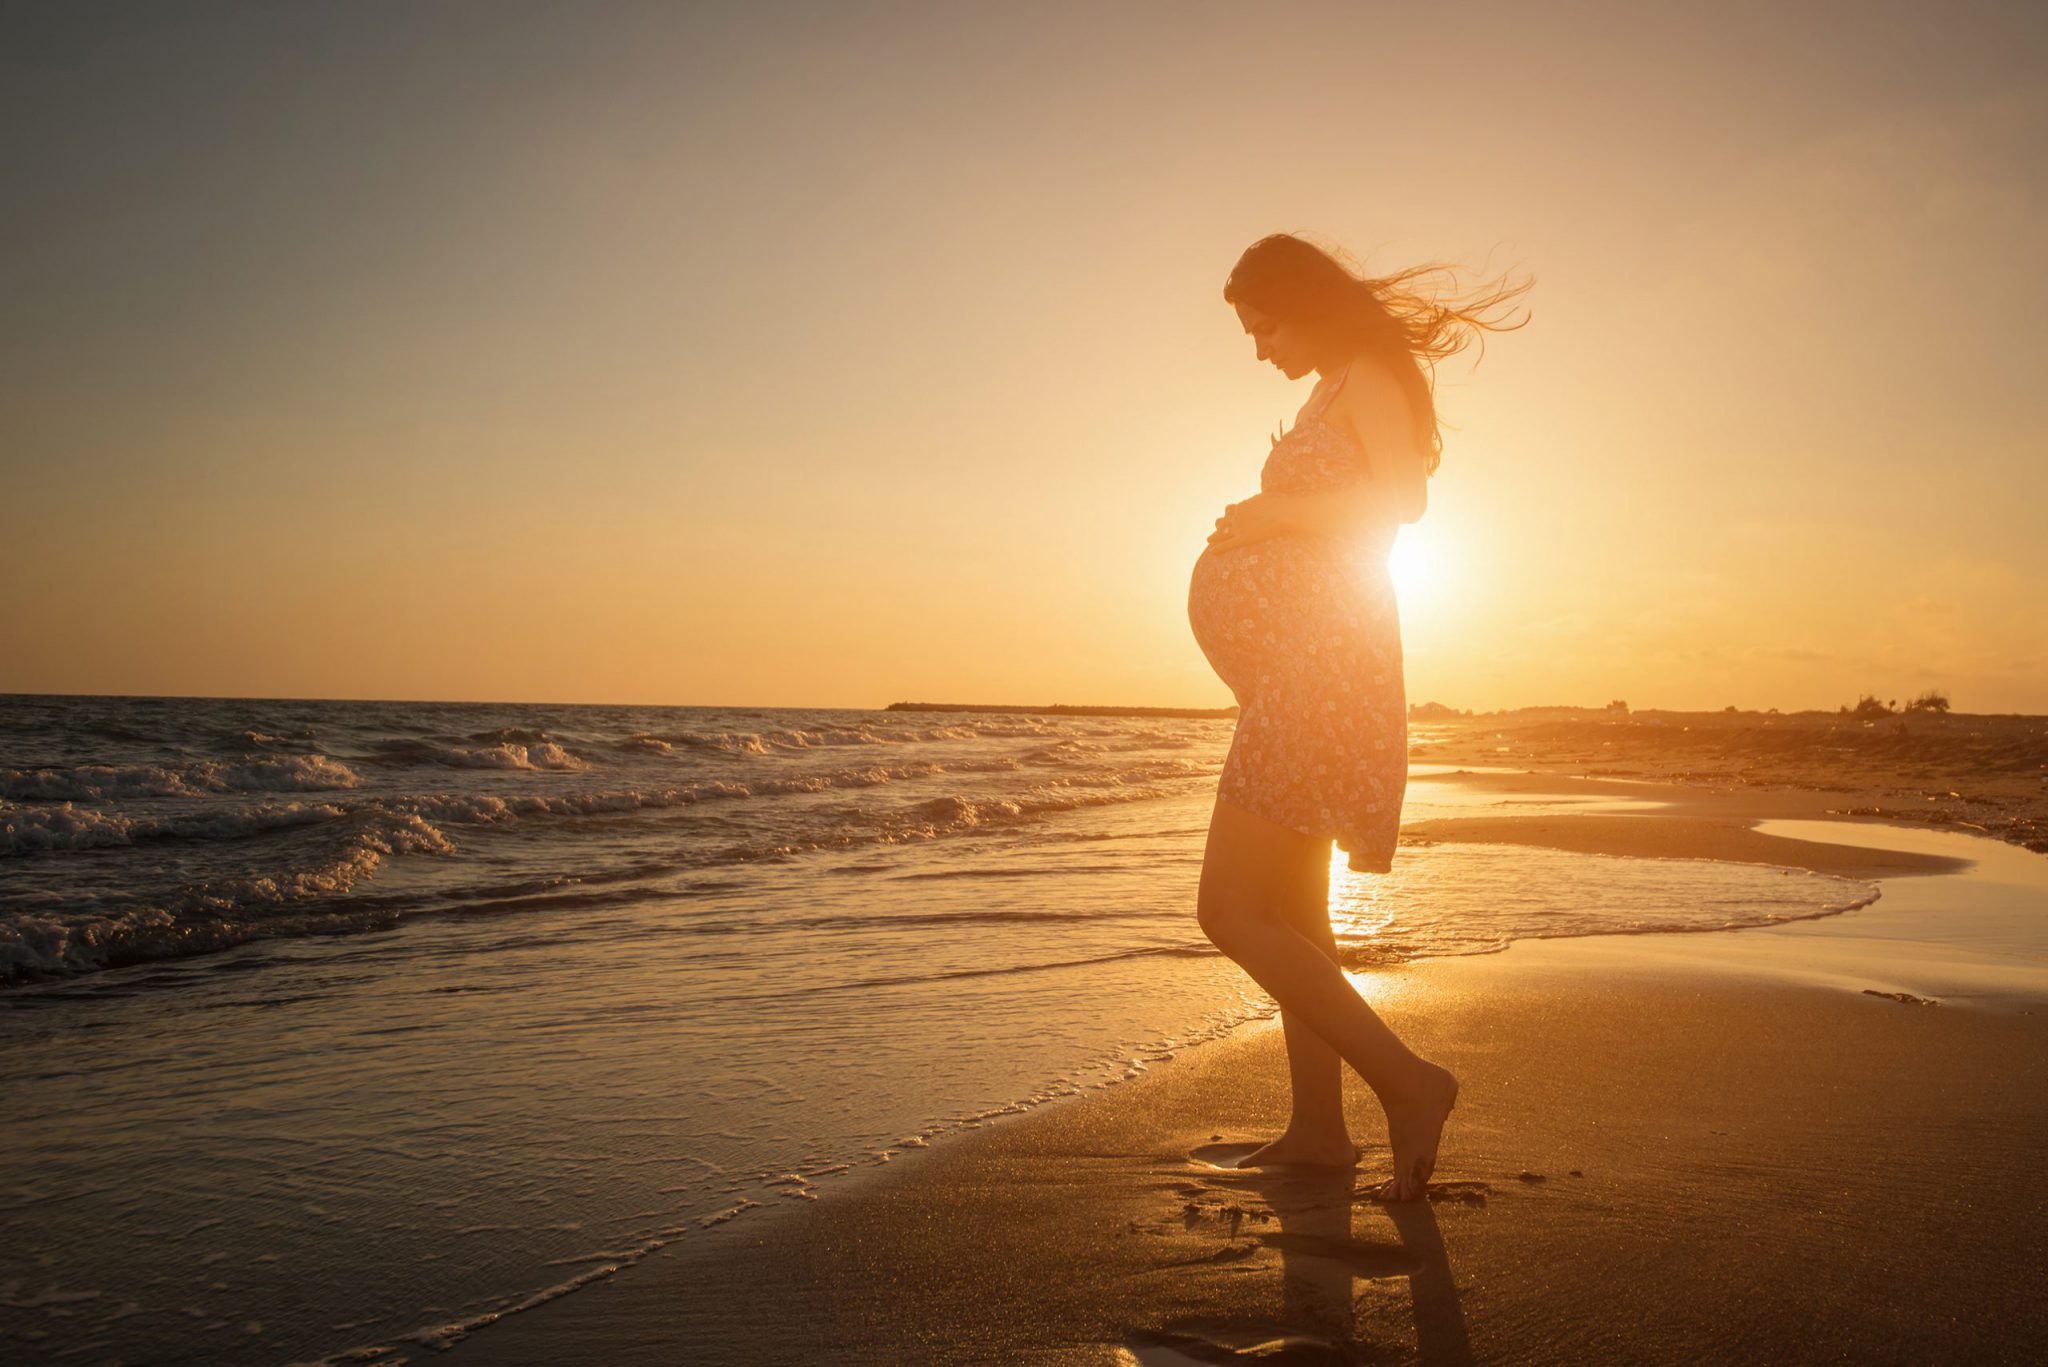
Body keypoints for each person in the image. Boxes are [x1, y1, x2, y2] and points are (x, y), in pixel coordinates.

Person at [1186, 232, 1531, 1200]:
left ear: (1304, 302)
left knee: (1226, 908)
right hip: (1298, 669)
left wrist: (1268, 517)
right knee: (1293, 910)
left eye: (1263, 324)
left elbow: (1402, 500)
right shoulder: (1328, 384)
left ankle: (1408, 1083)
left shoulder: (1369, 373)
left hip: (1320, 669)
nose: (1256, 347)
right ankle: (1317, 1130)